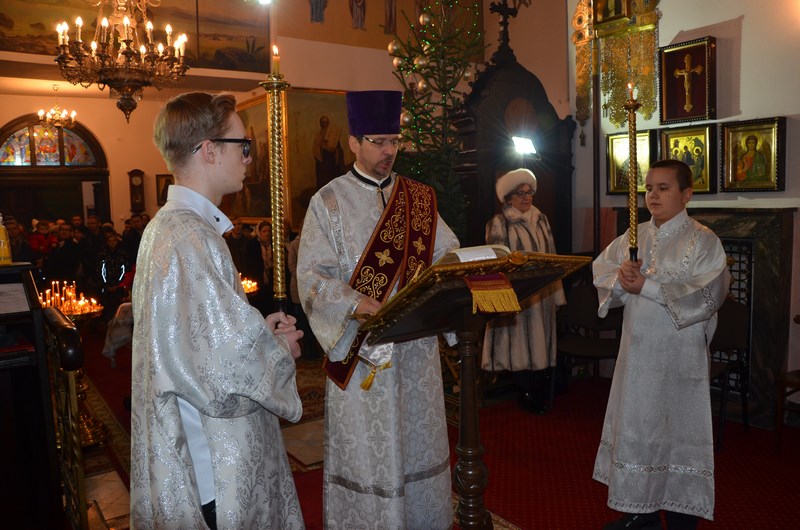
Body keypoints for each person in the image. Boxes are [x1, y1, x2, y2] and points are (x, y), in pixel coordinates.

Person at [131, 92, 305, 529]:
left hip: (195, 447)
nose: (248, 157)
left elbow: (197, 340)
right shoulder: (192, 237)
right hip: (214, 462)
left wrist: (258, 330)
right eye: (242, 145)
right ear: (209, 150)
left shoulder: (166, 226)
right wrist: (279, 350)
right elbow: (222, 374)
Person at [297, 90, 459, 529]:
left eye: (395, 141)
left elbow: (447, 255)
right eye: (379, 141)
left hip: (416, 349)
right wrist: (354, 303)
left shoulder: (419, 199)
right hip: (364, 353)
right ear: (354, 142)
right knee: (372, 451)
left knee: (418, 442)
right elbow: (311, 277)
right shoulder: (329, 202)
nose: (390, 151)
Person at [592, 160, 730, 530]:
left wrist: (647, 287)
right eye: (649, 188)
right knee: (640, 430)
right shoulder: (634, 235)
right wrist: (622, 279)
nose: (652, 195)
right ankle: (642, 511)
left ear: (687, 194)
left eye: (663, 188)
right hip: (638, 356)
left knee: (678, 432)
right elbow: (602, 271)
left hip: (679, 360)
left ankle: (682, 517)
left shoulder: (704, 240)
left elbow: (708, 294)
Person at [481, 168, 566, 414]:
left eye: (530, 192)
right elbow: (495, 263)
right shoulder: (499, 223)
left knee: (540, 347)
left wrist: (557, 295)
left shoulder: (542, 219)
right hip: (518, 298)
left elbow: (552, 257)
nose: (527, 198)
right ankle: (525, 392)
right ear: (508, 198)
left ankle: (538, 389)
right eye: (520, 193)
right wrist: (503, 299)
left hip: (543, 295)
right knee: (519, 349)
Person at [312, 114, 345, 189]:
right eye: (322, 122)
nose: (324, 124)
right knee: (323, 177)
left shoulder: (332, 134)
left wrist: (334, 149)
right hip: (323, 158)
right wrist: (321, 146)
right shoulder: (318, 135)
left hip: (332, 158)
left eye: (326, 122)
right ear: (320, 124)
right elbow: (315, 147)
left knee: (332, 175)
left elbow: (338, 146)